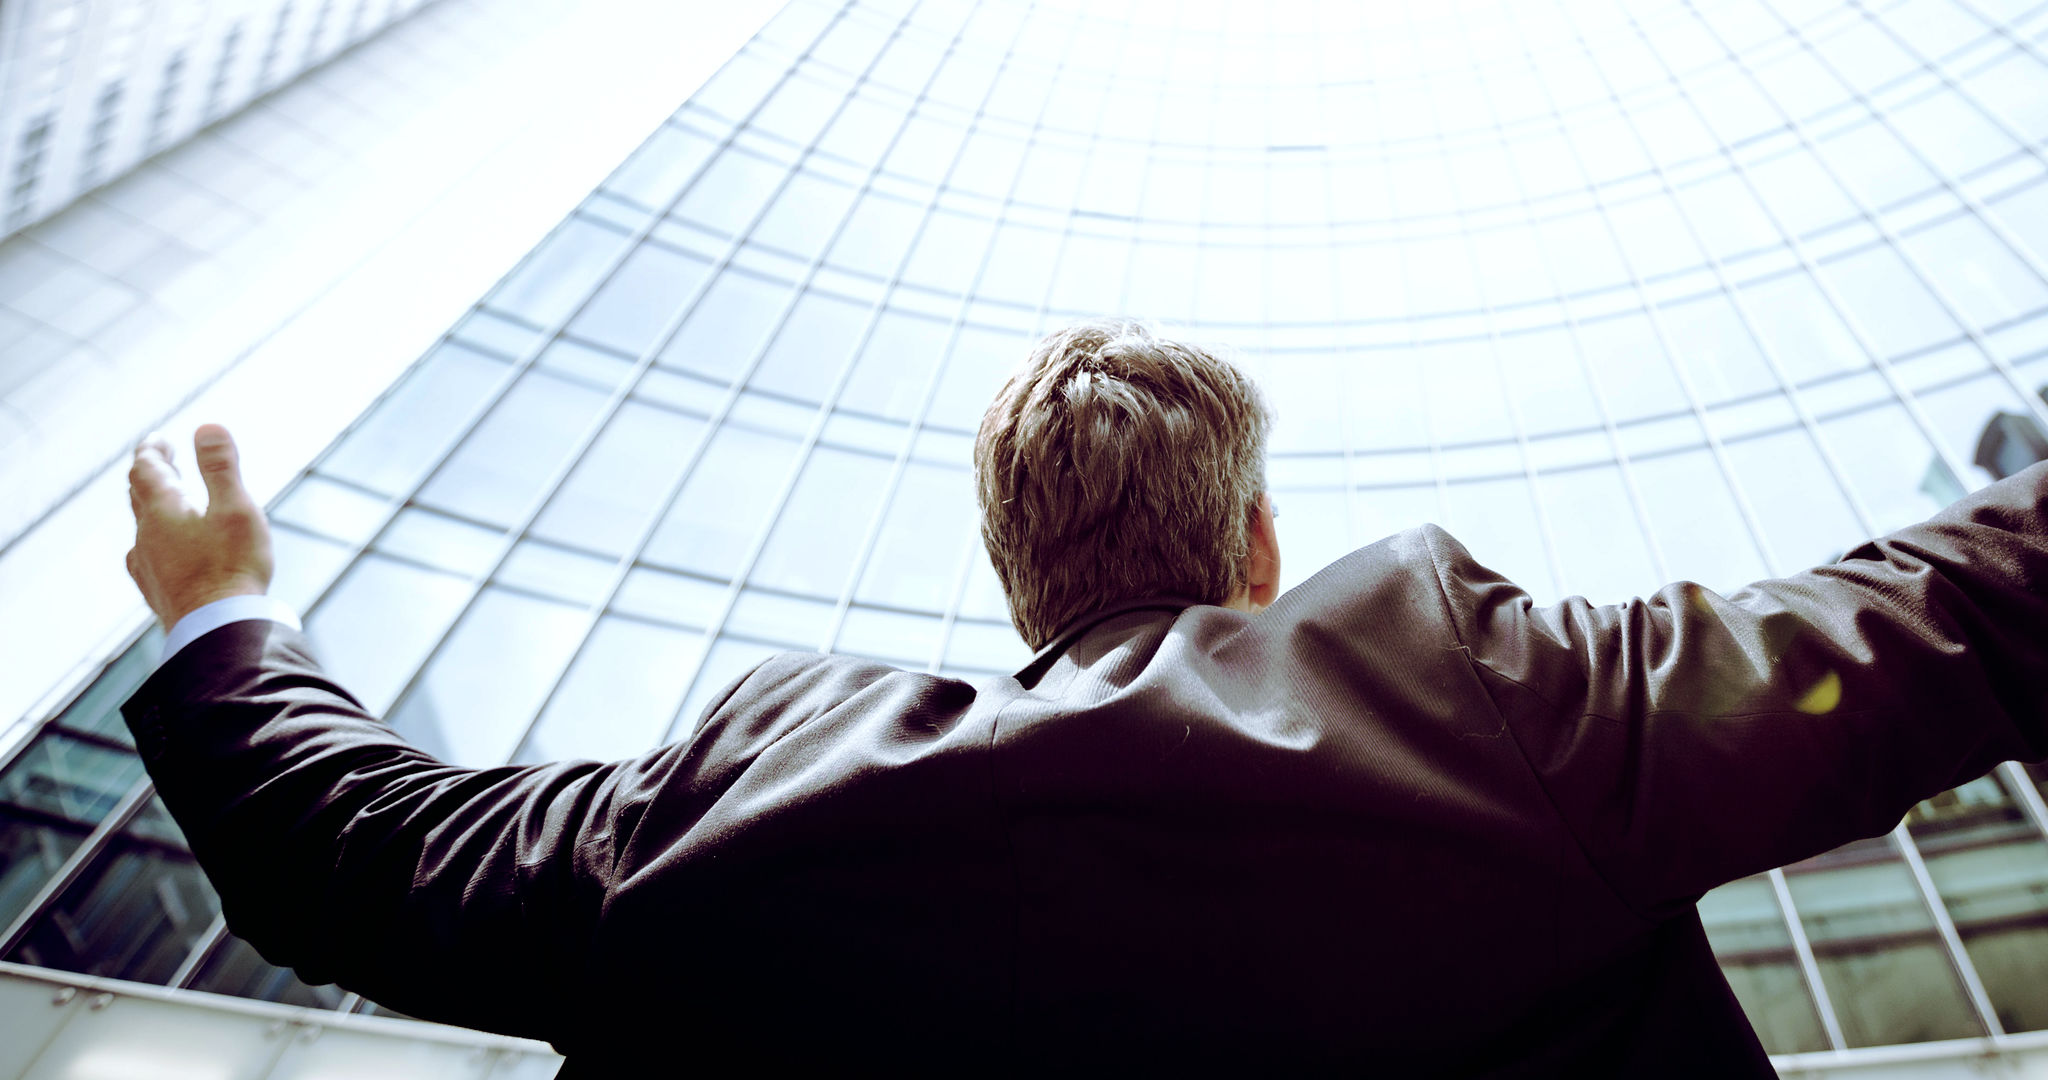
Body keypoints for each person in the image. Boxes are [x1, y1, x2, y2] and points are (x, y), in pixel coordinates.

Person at [123, 318, 2048, 1076]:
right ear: (1261, 544)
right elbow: (1951, 615)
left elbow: (346, 850)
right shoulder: (1492, 703)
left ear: (1017, 578)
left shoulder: (737, 809)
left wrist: (229, 617)